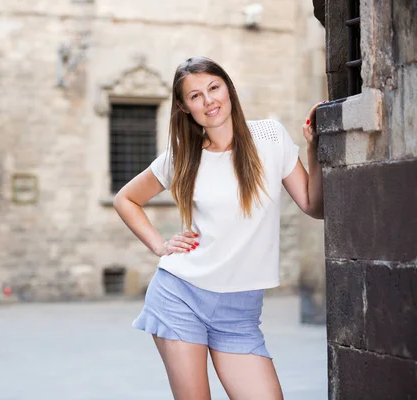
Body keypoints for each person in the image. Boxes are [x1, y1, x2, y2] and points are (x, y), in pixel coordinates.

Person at [113, 56, 324, 400]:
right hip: (181, 297)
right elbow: (126, 199)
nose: (208, 100)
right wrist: (159, 245)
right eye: (195, 96)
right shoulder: (182, 155)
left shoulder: (270, 137)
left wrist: (313, 148)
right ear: (184, 107)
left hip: (240, 314)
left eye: (213, 87)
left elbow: (315, 206)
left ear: (228, 88)